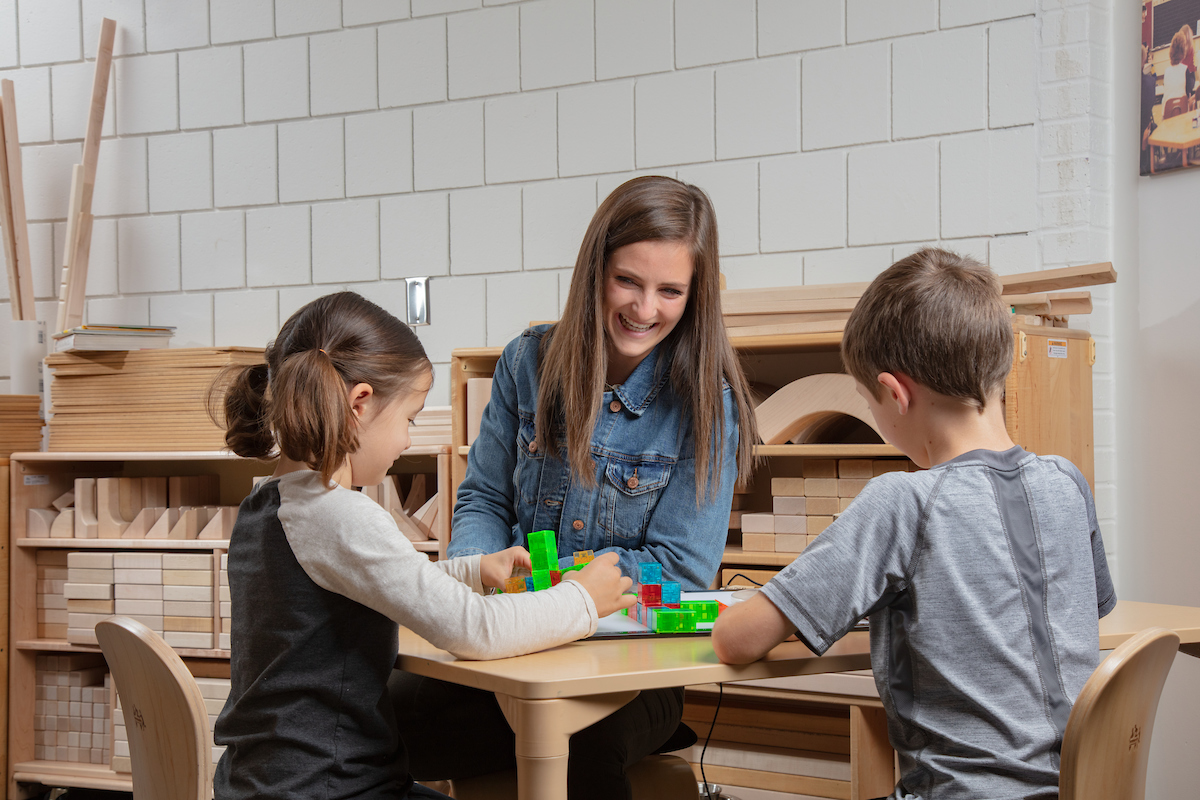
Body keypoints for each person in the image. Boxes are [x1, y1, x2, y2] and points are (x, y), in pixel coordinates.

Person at [390, 176, 759, 799]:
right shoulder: (526, 361)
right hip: (507, 648)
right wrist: (481, 573)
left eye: (670, 290)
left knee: (579, 745)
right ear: (595, 271)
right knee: (372, 725)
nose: (645, 309)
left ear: (694, 296)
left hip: (636, 673)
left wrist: (555, 589)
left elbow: (683, 568)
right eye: (628, 282)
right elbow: (483, 499)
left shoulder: (707, 403)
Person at [711, 249, 1115, 800]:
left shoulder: (905, 502)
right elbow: (1076, 615)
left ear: (895, 394)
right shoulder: (1066, 482)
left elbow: (736, 640)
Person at [210, 291, 635, 800]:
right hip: (328, 787)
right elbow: (474, 629)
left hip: (266, 781)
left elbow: (376, 580)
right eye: (409, 419)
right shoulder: (339, 514)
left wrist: (475, 570)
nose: (408, 441)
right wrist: (583, 599)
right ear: (360, 404)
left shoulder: (268, 505)